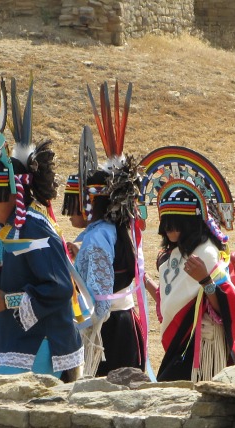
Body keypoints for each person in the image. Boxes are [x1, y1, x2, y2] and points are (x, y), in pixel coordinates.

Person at [0, 77, 82, 380]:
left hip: (43, 343)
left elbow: (60, 288)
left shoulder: (35, 228)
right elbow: (8, 277)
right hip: (17, 340)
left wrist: (7, 300)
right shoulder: (1, 231)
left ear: (16, 192)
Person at [140, 146, 235, 382]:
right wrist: (145, 281)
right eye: (167, 222)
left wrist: (206, 280)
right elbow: (171, 300)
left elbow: (228, 306)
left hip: (200, 347)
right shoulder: (168, 256)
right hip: (178, 343)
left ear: (192, 223)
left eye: (178, 223)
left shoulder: (206, 253)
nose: (170, 229)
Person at [65, 81, 146, 377]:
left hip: (107, 333)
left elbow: (98, 302)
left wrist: (79, 327)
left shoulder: (99, 235)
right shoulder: (117, 229)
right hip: (125, 323)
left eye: (80, 200)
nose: (75, 209)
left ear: (93, 201)